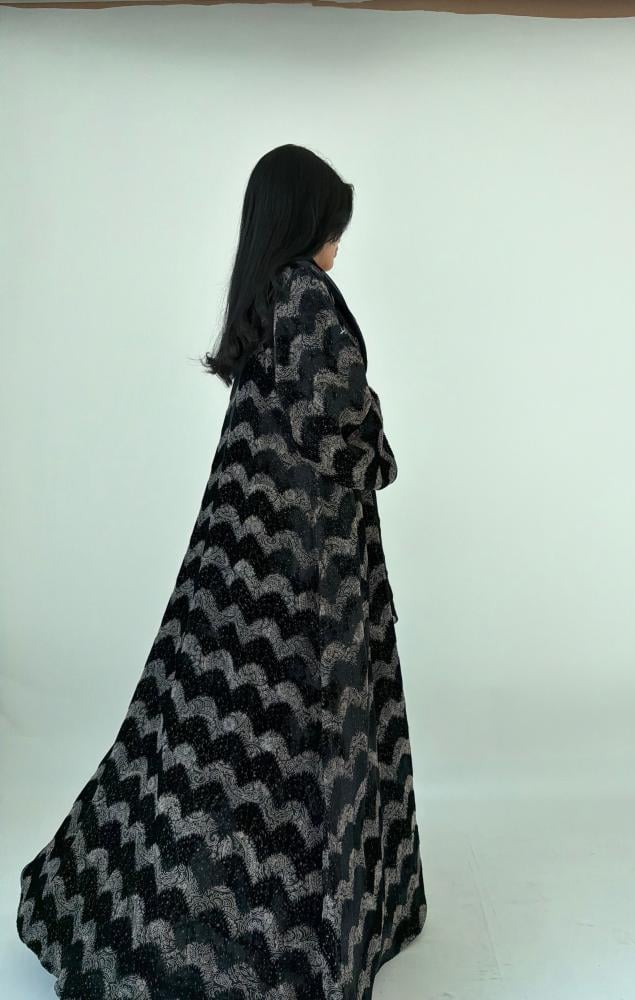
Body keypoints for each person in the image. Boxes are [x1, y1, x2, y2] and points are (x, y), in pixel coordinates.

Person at [16, 142, 427, 1000]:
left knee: (215, 736)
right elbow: (339, 425)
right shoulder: (307, 296)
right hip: (303, 566)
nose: (340, 243)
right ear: (306, 221)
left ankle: (138, 903)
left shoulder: (264, 294)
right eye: (334, 225)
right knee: (296, 738)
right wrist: (380, 445)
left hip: (243, 555)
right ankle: (275, 939)